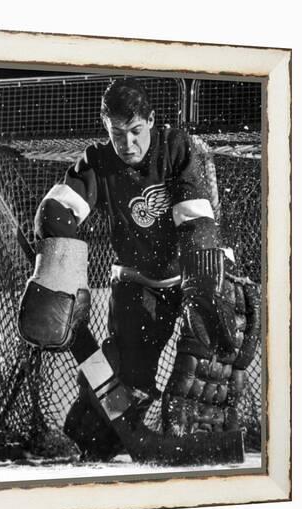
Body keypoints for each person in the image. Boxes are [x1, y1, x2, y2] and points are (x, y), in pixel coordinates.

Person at [18, 78, 260, 462]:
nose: (127, 144)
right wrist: (53, 265)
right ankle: (104, 439)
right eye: (117, 133)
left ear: (150, 121)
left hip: (189, 276)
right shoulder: (98, 160)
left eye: (135, 132)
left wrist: (204, 277)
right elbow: (58, 210)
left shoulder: (176, 148)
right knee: (126, 374)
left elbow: (196, 218)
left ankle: (205, 437)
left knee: (210, 364)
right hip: (137, 283)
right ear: (105, 127)